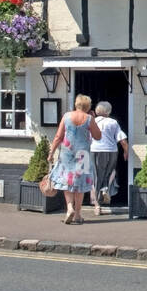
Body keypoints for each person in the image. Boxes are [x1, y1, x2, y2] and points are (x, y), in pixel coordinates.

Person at [47, 95, 102, 225]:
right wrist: (93, 120)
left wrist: (51, 152)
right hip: (83, 153)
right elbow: (98, 136)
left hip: (67, 152)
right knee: (80, 184)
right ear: (88, 107)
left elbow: (58, 136)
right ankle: (77, 215)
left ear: (76, 104)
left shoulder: (66, 116)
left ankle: (69, 208)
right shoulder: (89, 118)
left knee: (67, 180)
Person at [90, 100, 128, 216]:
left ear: (97, 111)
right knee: (111, 171)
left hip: (95, 150)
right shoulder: (113, 122)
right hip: (111, 151)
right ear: (108, 111)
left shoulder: (92, 121)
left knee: (96, 175)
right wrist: (126, 151)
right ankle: (105, 189)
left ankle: (97, 205)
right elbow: (122, 140)